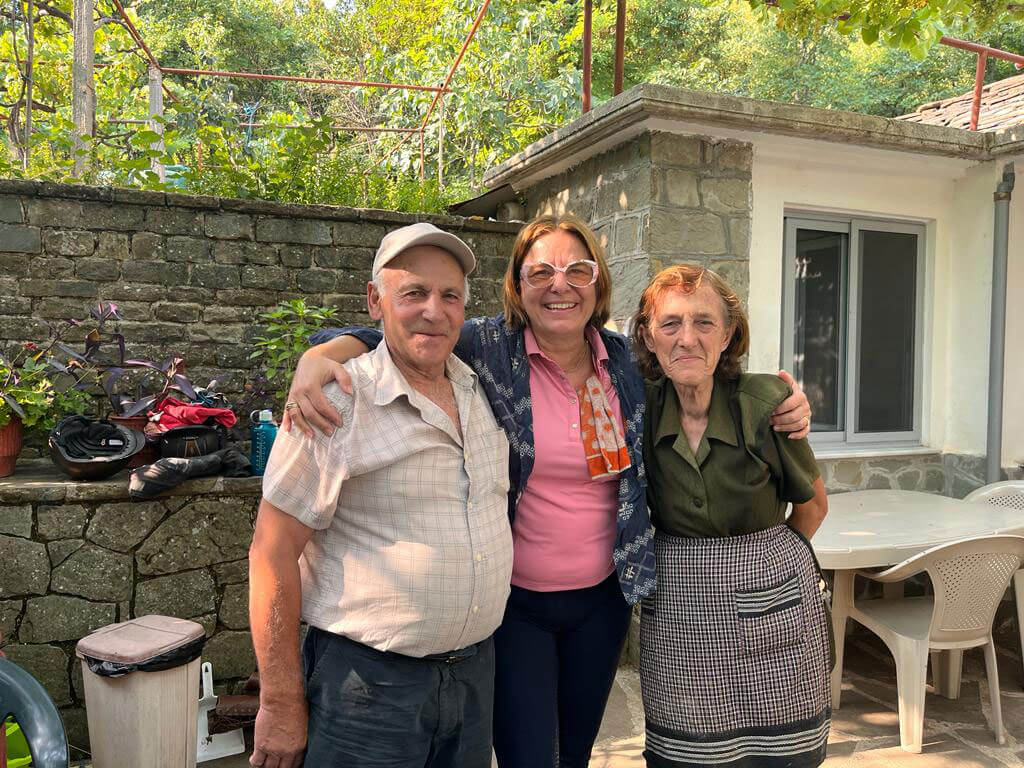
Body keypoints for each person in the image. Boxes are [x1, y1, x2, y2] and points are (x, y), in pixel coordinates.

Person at [283, 214, 813, 768]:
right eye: (540, 273)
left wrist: (782, 399)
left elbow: (700, 366)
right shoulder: (489, 347)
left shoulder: (628, 365)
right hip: (518, 606)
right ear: (517, 287)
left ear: (598, 283)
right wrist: (320, 355)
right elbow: (404, 330)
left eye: (576, 270)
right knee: (528, 755)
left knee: (575, 753)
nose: (559, 285)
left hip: (604, 600)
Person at [248, 223, 514, 768]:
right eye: (414, 293)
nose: (434, 311)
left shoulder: (483, 388)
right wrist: (279, 702)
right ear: (376, 301)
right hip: (367, 689)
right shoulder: (336, 402)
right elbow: (271, 553)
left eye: (449, 296)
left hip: (473, 679)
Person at [631, 264, 830, 768]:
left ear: (728, 336)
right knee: (685, 755)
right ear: (649, 339)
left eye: (704, 323)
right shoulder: (638, 405)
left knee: (779, 755)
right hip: (680, 613)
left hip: (773, 611)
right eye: (670, 324)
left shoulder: (764, 403)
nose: (687, 339)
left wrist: (764, 566)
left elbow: (813, 505)